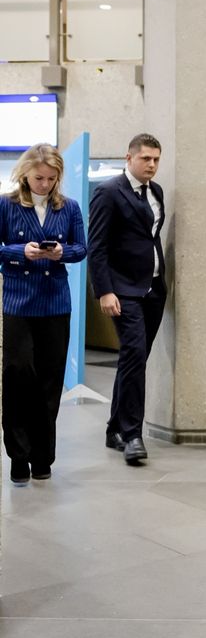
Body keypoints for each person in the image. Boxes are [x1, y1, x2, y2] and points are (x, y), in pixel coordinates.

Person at [0, 143, 87, 485]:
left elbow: (81, 248)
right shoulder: (7, 205)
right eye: (39, 178)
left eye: (51, 179)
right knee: (18, 376)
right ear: (25, 175)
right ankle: (18, 456)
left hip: (55, 303)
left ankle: (42, 457)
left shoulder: (69, 207)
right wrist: (21, 251)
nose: (45, 184)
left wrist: (62, 252)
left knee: (49, 382)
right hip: (18, 303)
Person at [87, 133, 166, 465]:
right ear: (129, 158)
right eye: (146, 158)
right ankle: (133, 435)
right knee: (133, 354)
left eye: (156, 159)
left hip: (154, 288)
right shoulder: (108, 192)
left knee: (135, 359)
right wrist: (105, 291)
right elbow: (97, 246)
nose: (151, 165)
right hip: (123, 290)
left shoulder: (156, 191)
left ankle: (114, 429)